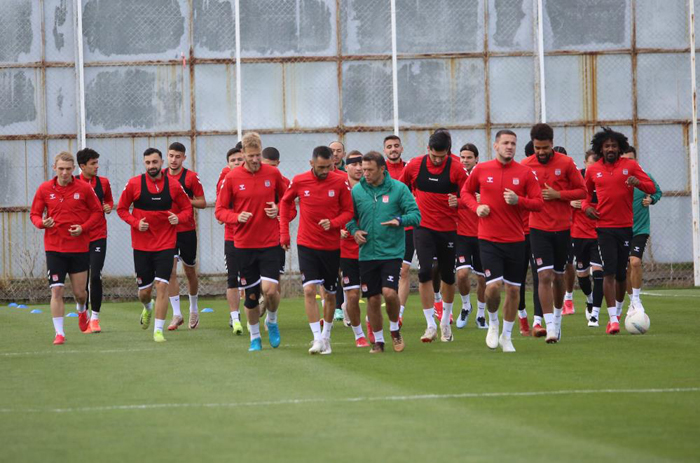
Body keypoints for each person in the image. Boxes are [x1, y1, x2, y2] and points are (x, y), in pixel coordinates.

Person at [461, 130, 543, 353]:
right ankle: (493, 322)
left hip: (516, 240)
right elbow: (465, 193)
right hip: (489, 239)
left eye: (513, 143)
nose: (509, 146)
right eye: (505, 143)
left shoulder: (525, 173)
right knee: (493, 287)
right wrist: (476, 207)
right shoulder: (482, 169)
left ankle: (507, 336)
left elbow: (538, 203)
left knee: (514, 291)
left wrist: (519, 200)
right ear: (495, 146)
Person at [215, 132, 287, 351]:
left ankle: (272, 321)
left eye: (258, 155)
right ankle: (255, 337)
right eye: (251, 156)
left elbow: (288, 202)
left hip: (270, 243)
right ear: (243, 154)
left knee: (271, 290)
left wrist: (278, 209)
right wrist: (236, 217)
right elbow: (220, 211)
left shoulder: (273, 173)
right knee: (252, 296)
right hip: (244, 245)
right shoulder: (232, 178)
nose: (255, 160)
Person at [279, 146, 354, 355]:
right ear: (311, 163)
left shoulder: (340, 181)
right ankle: (316, 338)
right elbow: (284, 203)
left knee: (329, 295)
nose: (325, 171)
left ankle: (326, 336)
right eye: (321, 167)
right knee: (309, 290)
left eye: (328, 166)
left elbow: (349, 211)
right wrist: (283, 233)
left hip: (331, 246)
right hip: (307, 244)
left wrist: (334, 223)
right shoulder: (299, 180)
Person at [583, 128, 656, 335]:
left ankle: (620, 310)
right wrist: (586, 208)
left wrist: (637, 182)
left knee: (622, 275)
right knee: (608, 272)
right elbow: (585, 195)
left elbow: (651, 187)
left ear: (620, 148)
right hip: (604, 228)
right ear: (600, 148)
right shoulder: (592, 170)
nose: (610, 149)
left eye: (614, 146)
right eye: (607, 146)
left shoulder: (630, 166)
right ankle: (613, 319)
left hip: (625, 227)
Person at [346, 151, 421, 353]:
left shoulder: (399, 189)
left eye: (370, 170)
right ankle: (378, 341)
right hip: (367, 253)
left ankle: (395, 329)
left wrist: (400, 220)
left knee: (389, 292)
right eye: (364, 169)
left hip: (391, 252)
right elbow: (348, 216)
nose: (365, 173)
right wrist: (354, 231)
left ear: (382, 169)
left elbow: (416, 215)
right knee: (372, 298)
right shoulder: (357, 191)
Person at [116, 148, 193, 343]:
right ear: (144, 164)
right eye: (148, 162)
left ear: (161, 163)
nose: (152, 166)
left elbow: (187, 209)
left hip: (166, 243)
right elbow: (121, 209)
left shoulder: (173, 185)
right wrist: (136, 223)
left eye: (155, 162)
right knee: (144, 292)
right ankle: (147, 307)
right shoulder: (134, 184)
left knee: (162, 286)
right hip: (142, 245)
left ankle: (158, 331)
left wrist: (179, 218)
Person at [399, 130, 467, 343]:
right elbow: (400, 189)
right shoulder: (414, 165)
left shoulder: (457, 168)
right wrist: (408, 206)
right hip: (423, 227)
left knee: (447, 276)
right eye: (434, 155)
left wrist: (459, 202)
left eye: (442, 156)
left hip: (448, 229)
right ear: (428, 149)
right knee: (424, 273)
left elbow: (469, 195)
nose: (437, 160)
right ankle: (430, 325)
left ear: (448, 152)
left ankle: (445, 321)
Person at [521, 124, 586, 343]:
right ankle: (548, 326)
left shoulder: (566, 163)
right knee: (544, 276)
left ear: (552, 143)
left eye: (545, 148)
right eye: (537, 148)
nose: (541, 152)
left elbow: (582, 191)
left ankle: (557, 322)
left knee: (559, 277)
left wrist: (558, 194)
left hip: (562, 229)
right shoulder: (525, 166)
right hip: (537, 229)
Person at [31, 152, 103, 345]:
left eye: (68, 169)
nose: (64, 173)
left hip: (78, 248)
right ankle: (59, 333)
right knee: (56, 291)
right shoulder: (44, 189)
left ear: (74, 169)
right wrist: (42, 223)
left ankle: (82, 310)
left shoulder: (84, 188)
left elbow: (97, 212)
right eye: (61, 168)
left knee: (80, 293)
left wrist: (83, 228)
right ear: (54, 168)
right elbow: (34, 214)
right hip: (54, 248)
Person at [164, 142, 206, 331]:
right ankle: (176, 314)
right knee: (170, 272)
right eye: (171, 156)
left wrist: (185, 200)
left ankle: (194, 309)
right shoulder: (160, 176)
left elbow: (202, 202)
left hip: (187, 230)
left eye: (178, 156)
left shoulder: (191, 177)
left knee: (190, 272)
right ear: (167, 156)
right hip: (167, 232)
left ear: (184, 158)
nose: (174, 160)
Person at [77, 148, 114, 333]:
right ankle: (82, 312)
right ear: (82, 166)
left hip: (99, 236)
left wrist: (108, 207)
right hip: (79, 238)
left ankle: (95, 318)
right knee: (81, 281)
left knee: (95, 276)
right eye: (93, 164)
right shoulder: (74, 184)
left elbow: (109, 201)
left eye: (97, 163)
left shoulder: (103, 182)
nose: (97, 166)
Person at [622, 146, 662, 314]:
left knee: (635, 262)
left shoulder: (645, 177)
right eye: (625, 159)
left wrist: (651, 199)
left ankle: (637, 300)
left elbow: (657, 192)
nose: (628, 162)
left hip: (640, 228)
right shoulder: (617, 179)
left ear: (636, 161)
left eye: (631, 159)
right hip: (622, 228)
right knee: (625, 268)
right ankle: (631, 300)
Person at [570, 150, 605, 327]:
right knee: (582, 276)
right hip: (579, 234)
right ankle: (590, 299)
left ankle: (595, 316)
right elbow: (561, 199)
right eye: (592, 164)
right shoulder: (576, 180)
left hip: (599, 234)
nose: (595, 168)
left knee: (599, 273)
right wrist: (570, 202)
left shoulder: (604, 180)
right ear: (585, 163)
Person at [454, 144, 487, 329]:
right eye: (462, 157)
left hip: (483, 235)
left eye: (469, 157)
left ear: (476, 159)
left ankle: (481, 314)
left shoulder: (483, 176)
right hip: (462, 234)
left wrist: (485, 199)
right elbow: (451, 201)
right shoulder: (455, 177)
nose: (465, 160)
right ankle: (466, 306)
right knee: (462, 274)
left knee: (483, 279)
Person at [340, 151, 370, 347]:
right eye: (354, 164)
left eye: (362, 164)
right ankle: (359, 334)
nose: (359, 168)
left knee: (373, 296)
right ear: (346, 167)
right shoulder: (339, 187)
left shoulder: (372, 187)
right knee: (352, 295)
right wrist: (338, 230)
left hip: (370, 249)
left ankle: (372, 327)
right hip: (347, 250)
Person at [383, 135, 412, 322]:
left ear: (401, 148)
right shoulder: (379, 170)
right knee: (385, 270)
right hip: (384, 229)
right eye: (389, 146)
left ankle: (398, 314)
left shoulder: (410, 168)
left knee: (404, 270)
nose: (393, 149)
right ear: (384, 150)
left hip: (406, 228)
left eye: (396, 146)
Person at [261, 146, 290, 321]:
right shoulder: (252, 180)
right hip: (253, 238)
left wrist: (279, 210)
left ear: (278, 163)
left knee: (275, 279)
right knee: (255, 280)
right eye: (267, 165)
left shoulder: (283, 182)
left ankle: (272, 317)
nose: (270, 169)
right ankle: (258, 302)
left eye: (273, 165)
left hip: (275, 238)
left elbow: (291, 210)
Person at [218, 147, 245, 335]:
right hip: (232, 237)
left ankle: (259, 314)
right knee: (232, 278)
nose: (236, 163)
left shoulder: (256, 180)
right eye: (233, 160)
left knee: (253, 279)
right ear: (228, 164)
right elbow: (220, 213)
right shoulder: (225, 182)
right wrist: (236, 217)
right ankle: (235, 318)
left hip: (254, 238)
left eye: (239, 159)